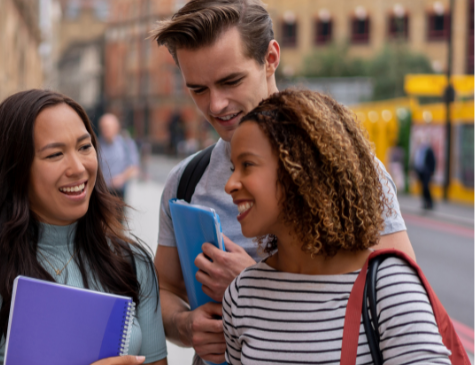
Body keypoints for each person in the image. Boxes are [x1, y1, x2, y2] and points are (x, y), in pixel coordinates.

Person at [147, 1, 416, 363]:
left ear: (270, 57)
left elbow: (397, 298)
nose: (216, 105)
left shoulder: (349, 170)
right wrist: (183, 324)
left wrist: (258, 287)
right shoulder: (185, 182)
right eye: (198, 89)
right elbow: (162, 290)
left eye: (231, 80)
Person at [0, 90, 168, 365]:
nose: (78, 168)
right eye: (55, 154)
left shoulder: (132, 263)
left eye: (84, 147)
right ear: (15, 170)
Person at [222, 89, 450, 364]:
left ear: (300, 170)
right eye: (234, 167)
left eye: (247, 164)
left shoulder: (390, 288)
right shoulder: (241, 294)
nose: (230, 184)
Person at [98, 113, 141, 200]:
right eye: (103, 127)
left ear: (116, 127)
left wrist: (121, 178)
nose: (105, 130)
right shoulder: (97, 144)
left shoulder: (125, 143)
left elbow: (135, 168)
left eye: (108, 127)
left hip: (118, 192)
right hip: (101, 192)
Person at [413, 136, 437, 210]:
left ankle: (430, 202)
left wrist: (431, 171)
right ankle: (425, 203)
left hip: (427, 172)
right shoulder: (419, 150)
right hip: (420, 171)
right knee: (422, 188)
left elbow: (433, 161)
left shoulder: (429, 150)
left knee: (426, 187)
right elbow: (416, 160)